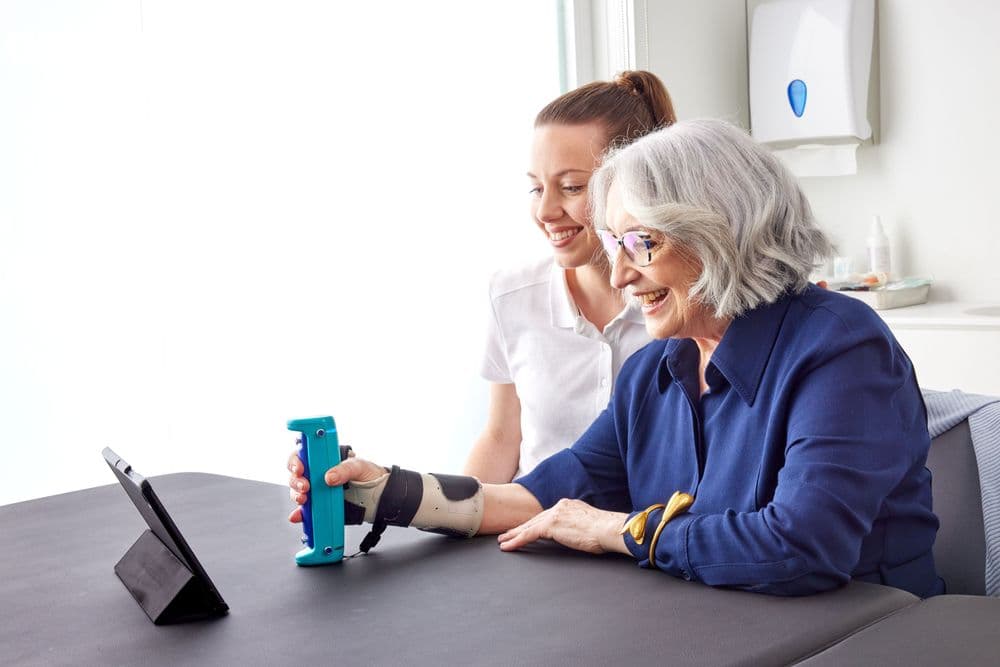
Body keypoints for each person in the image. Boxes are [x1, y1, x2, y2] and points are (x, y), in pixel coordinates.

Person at [288, 119, 942, 598]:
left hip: (866, 633)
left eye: (642, 243)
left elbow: (802, 547)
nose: (621, 272)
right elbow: (536, 499)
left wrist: (621, 531)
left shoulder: (841, 349)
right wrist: (379, 492)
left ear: (722, 233)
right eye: (613, 242)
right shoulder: (656, 371)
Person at [464, 71, 676, 483]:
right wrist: (451, 523)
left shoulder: (683, 307)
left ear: (636, 182)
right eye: (536, 189)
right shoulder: (511, 295)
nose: (545, 211)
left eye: (572, 187)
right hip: (529, 529)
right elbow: (501, 437)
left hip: (643, 538)